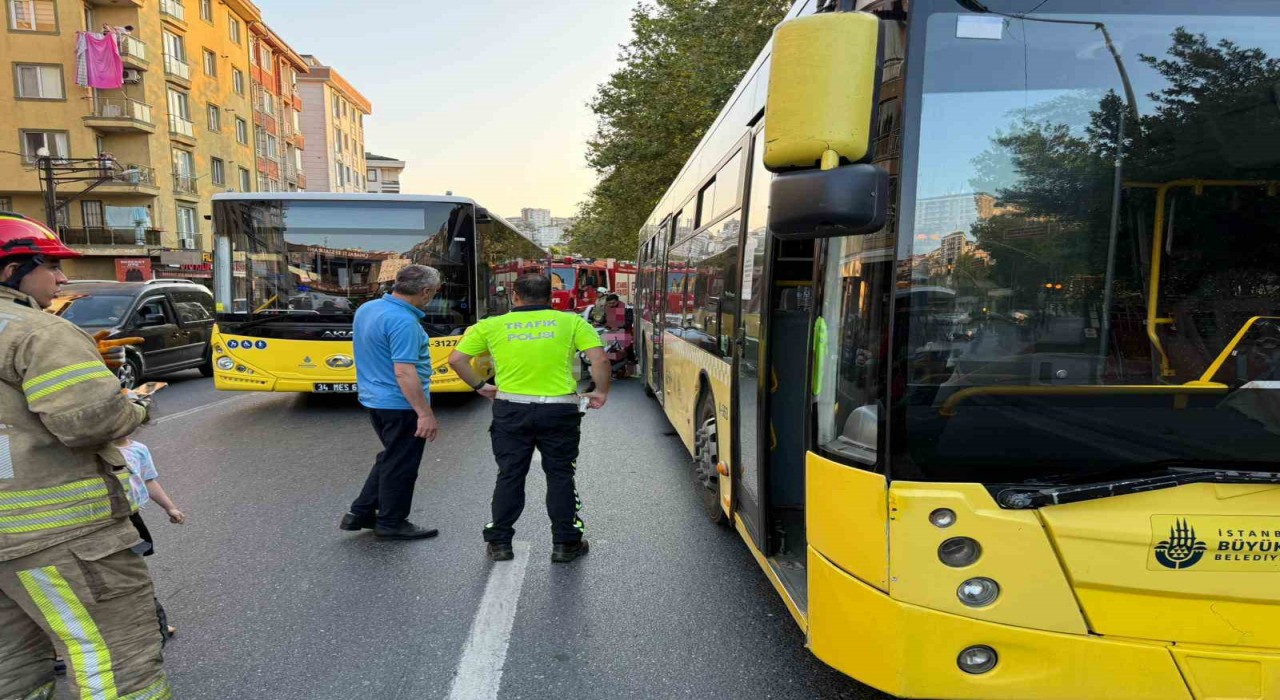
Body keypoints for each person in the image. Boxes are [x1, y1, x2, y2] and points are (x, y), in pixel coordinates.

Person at [0, 212, 171, 699]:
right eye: (48, 265)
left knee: (11, 668)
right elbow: (89, 421)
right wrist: (134, 406)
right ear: (10, 270)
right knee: (115, 663)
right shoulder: (36, 332)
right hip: (52, 538)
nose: (61, 278)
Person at [449, 273, 610, 564]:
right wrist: (599, 391)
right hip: (559, 410)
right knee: (560, 476)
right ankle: (565, 543)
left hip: (512, 409)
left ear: (515, 296)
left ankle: (500, 543)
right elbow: (598, 359)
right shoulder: (572, 322)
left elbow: (456, 359)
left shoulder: (490, 325)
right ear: (550, 296)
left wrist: (481, 386)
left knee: (510, 475)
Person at [339, 264, 443, 540]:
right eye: (433, 292)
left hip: (374, 399)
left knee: (392, 457)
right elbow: (404, 370)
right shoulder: (403, 322)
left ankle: (360, 512)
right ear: (425, 291)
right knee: (402, 464)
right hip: (400, 404)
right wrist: (424, 413)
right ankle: (391, 521)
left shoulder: (368, 309)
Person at [117, 430, 184, 638]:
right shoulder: (94, 452)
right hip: (108, 521)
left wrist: (170, 507)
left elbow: (148, 480)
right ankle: (146, 623)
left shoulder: (138, 450)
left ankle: (151, 623)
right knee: (123, 573)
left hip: (132, 517)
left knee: (135, 571)